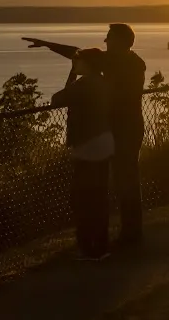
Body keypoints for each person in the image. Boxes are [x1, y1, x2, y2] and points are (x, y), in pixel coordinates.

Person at [23, 24, 147, 247]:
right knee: (124, 180)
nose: (105, 41)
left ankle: (126, 235)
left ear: (120, 41)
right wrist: (49, 45)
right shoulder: (126, 61)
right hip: (123, 128)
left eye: (109, 38)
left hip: (124, 129)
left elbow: (80, 55)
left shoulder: (123, 63)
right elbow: (80, 53)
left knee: (123, 181)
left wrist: (52, 48)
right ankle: (128, 233)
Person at [51, 48, 113, 261]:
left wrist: (72, 75)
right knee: (99, 196)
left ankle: (88, 248)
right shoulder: (104, 82)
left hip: (88, 145)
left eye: (79, 61)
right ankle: (101, 245)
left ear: (87, 64)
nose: (76, 64)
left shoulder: (84, 84)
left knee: (82, 198)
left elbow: (57, 99)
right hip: (105, 141)